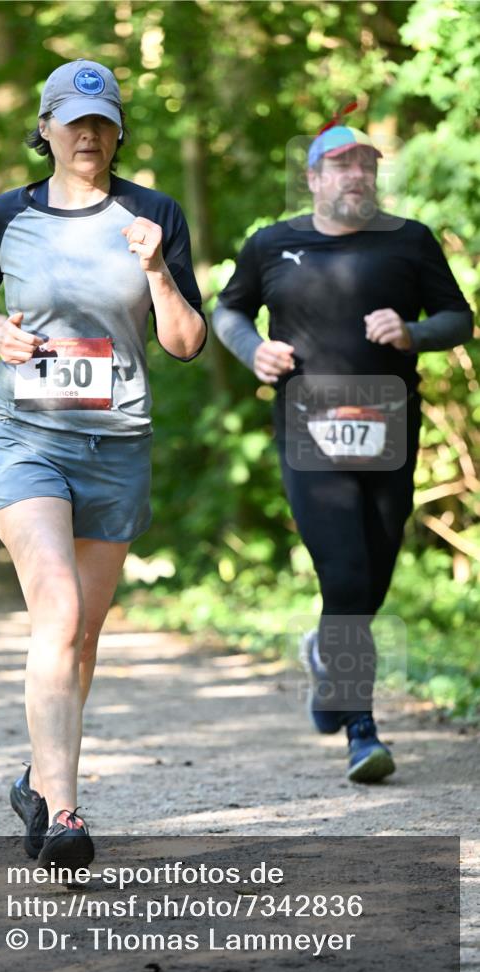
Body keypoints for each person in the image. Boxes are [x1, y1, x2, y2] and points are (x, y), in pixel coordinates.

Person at [0, 59, 206, 868]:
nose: (88, 133)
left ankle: (37, 778)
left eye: (103, 120)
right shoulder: (1, 216)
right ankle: (64, 813)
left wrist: (157, 268)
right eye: (73, 119)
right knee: (55, 612)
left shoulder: (153, 213)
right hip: (23, 433)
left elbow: (186, 344)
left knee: (82, 636)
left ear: (118, 130)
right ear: (46, 129)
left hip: (117, 443)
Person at [213, 118, 474, 783]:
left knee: (374, 575)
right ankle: (361, 728)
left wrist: (412, 332)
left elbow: (459, 318)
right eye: (340, 165)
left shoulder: (408, 242)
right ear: (313, 178)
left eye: (365, 164)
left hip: (388, 427)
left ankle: (327, 655)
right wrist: (255, 350)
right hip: (308, 428)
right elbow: (230, 312)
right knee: (346, 572)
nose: (355, 174)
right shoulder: (273, 244)